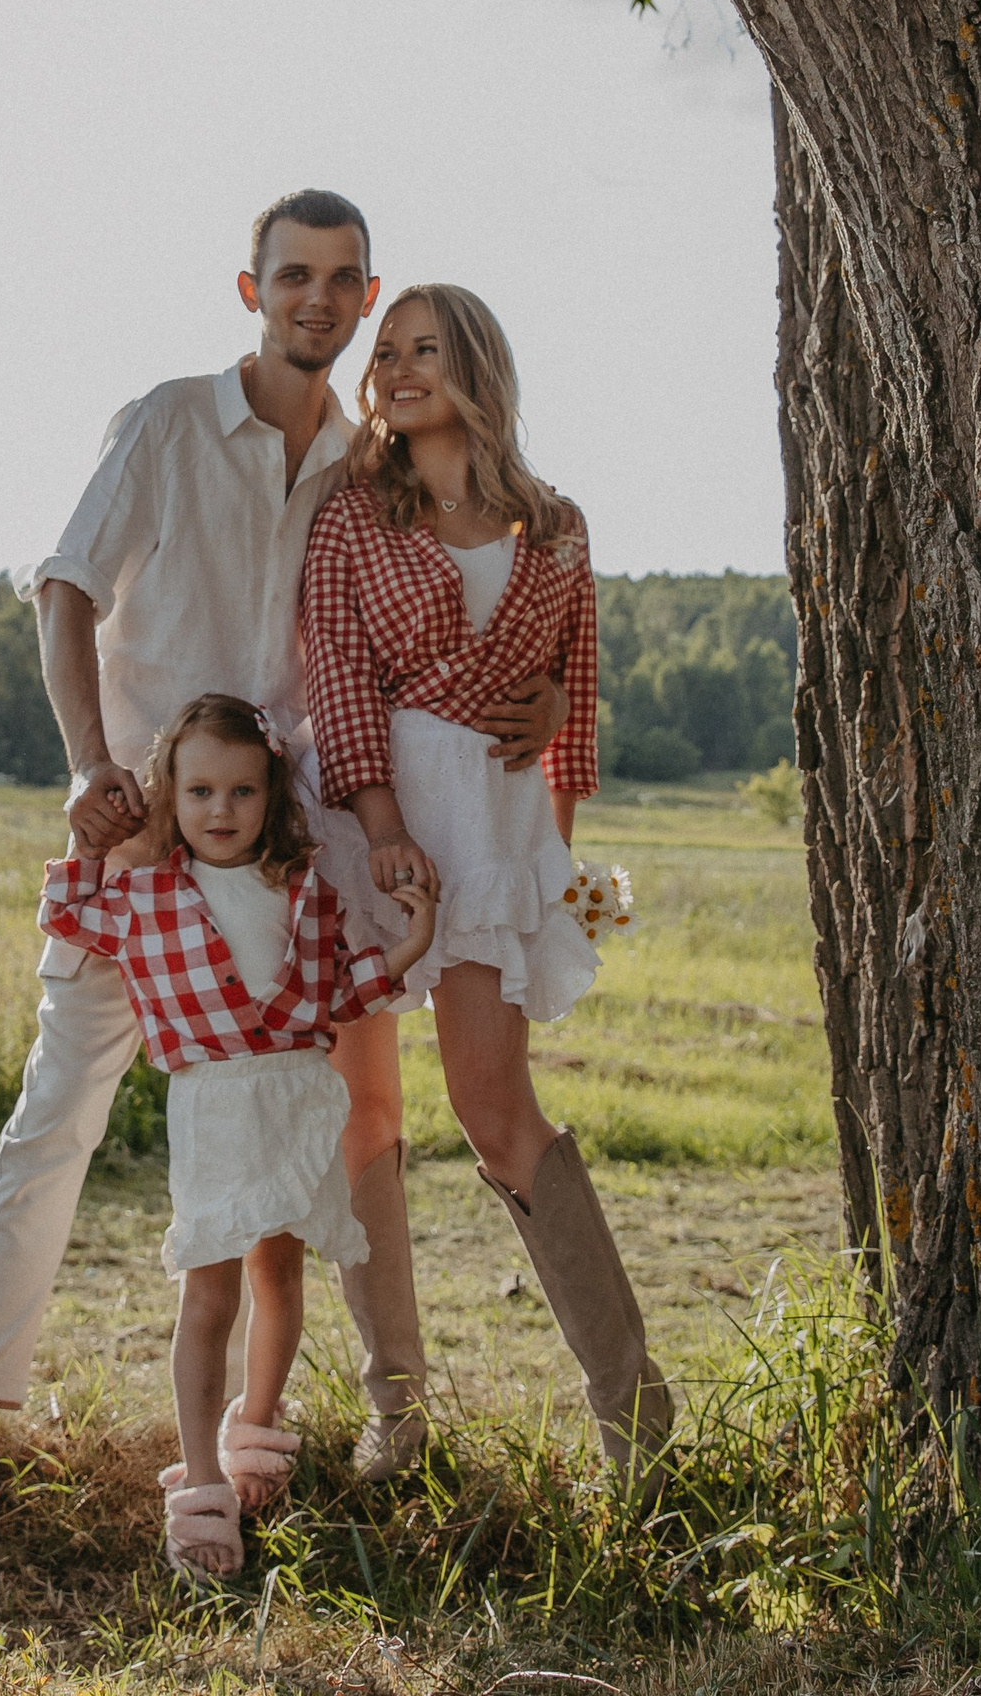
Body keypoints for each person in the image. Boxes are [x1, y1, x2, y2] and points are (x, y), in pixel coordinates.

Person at [0, 193, 568, 1565]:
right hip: (145, 840)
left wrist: (551, 693)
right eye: (290, 277)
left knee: (286, 1134)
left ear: (366, 296)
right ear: (249, 287)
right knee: (55, 1120)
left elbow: (476, 579)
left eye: (339, 281)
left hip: (288, 865)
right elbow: (64, 586)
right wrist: (93, 767)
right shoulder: (163, 425)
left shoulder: (372, 466)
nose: (314, 300)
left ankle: (256, 1429)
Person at [301, 282, 674, 1482]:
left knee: (494, 1107)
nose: (397, 369)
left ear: (475, 364)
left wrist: (553, 841)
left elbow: (575, 696)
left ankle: (635, 1414)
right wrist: (382, 824)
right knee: (366, 1109)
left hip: (499, 831)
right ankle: (394, 1414)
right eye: (388, 352)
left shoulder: (554, 525)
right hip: (377, 819)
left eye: (424, 349)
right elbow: (339, 677)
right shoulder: (352, 513)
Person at [40, 693, 439, 1576]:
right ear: (171, 799)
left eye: (243, 793)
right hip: (216, 1108)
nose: (222, 812)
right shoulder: (144, 897)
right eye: (201, 793)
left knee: (283, 1273)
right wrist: (88, 843)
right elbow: (67, 918)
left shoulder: (310, 895)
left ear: (273, 798)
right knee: (210, 1291)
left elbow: (344, 994)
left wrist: (413, 945)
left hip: (297, 1102)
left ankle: (258, 1423)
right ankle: (203, 1481)